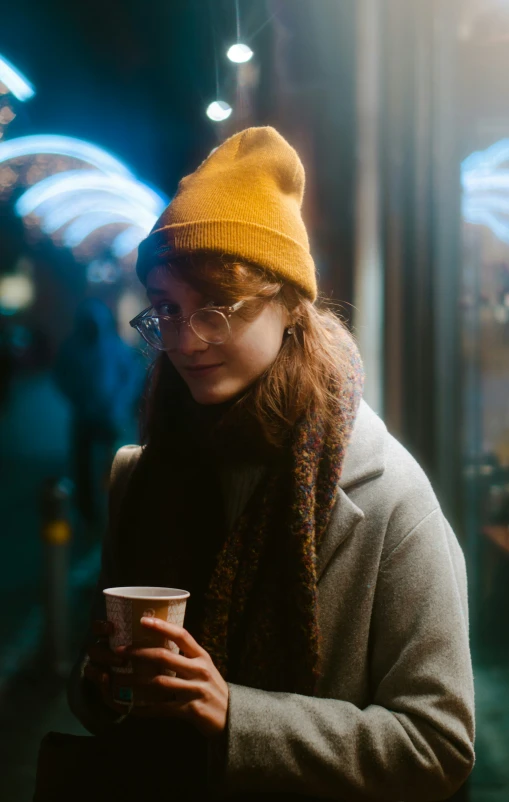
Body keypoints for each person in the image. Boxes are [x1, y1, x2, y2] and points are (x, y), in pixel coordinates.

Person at [67, 127, 475, 801]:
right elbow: (95, 697)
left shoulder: (386, 494)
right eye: (167, 311)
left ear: (289, 304)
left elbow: (438, 744)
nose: (185, 340)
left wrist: (236, 716)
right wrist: (103, 683)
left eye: (216, 310)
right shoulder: (143, 476)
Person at [54, 298, 143, 532]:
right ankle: (87, 514)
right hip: (84, 417)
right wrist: (77, 397)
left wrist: (119, 404)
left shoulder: (116, 346)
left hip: (110, 418)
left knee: (113, 465)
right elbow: (60, 375)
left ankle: (115, 513)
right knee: (82, 466)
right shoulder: (72, 347)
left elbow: (132, 377)